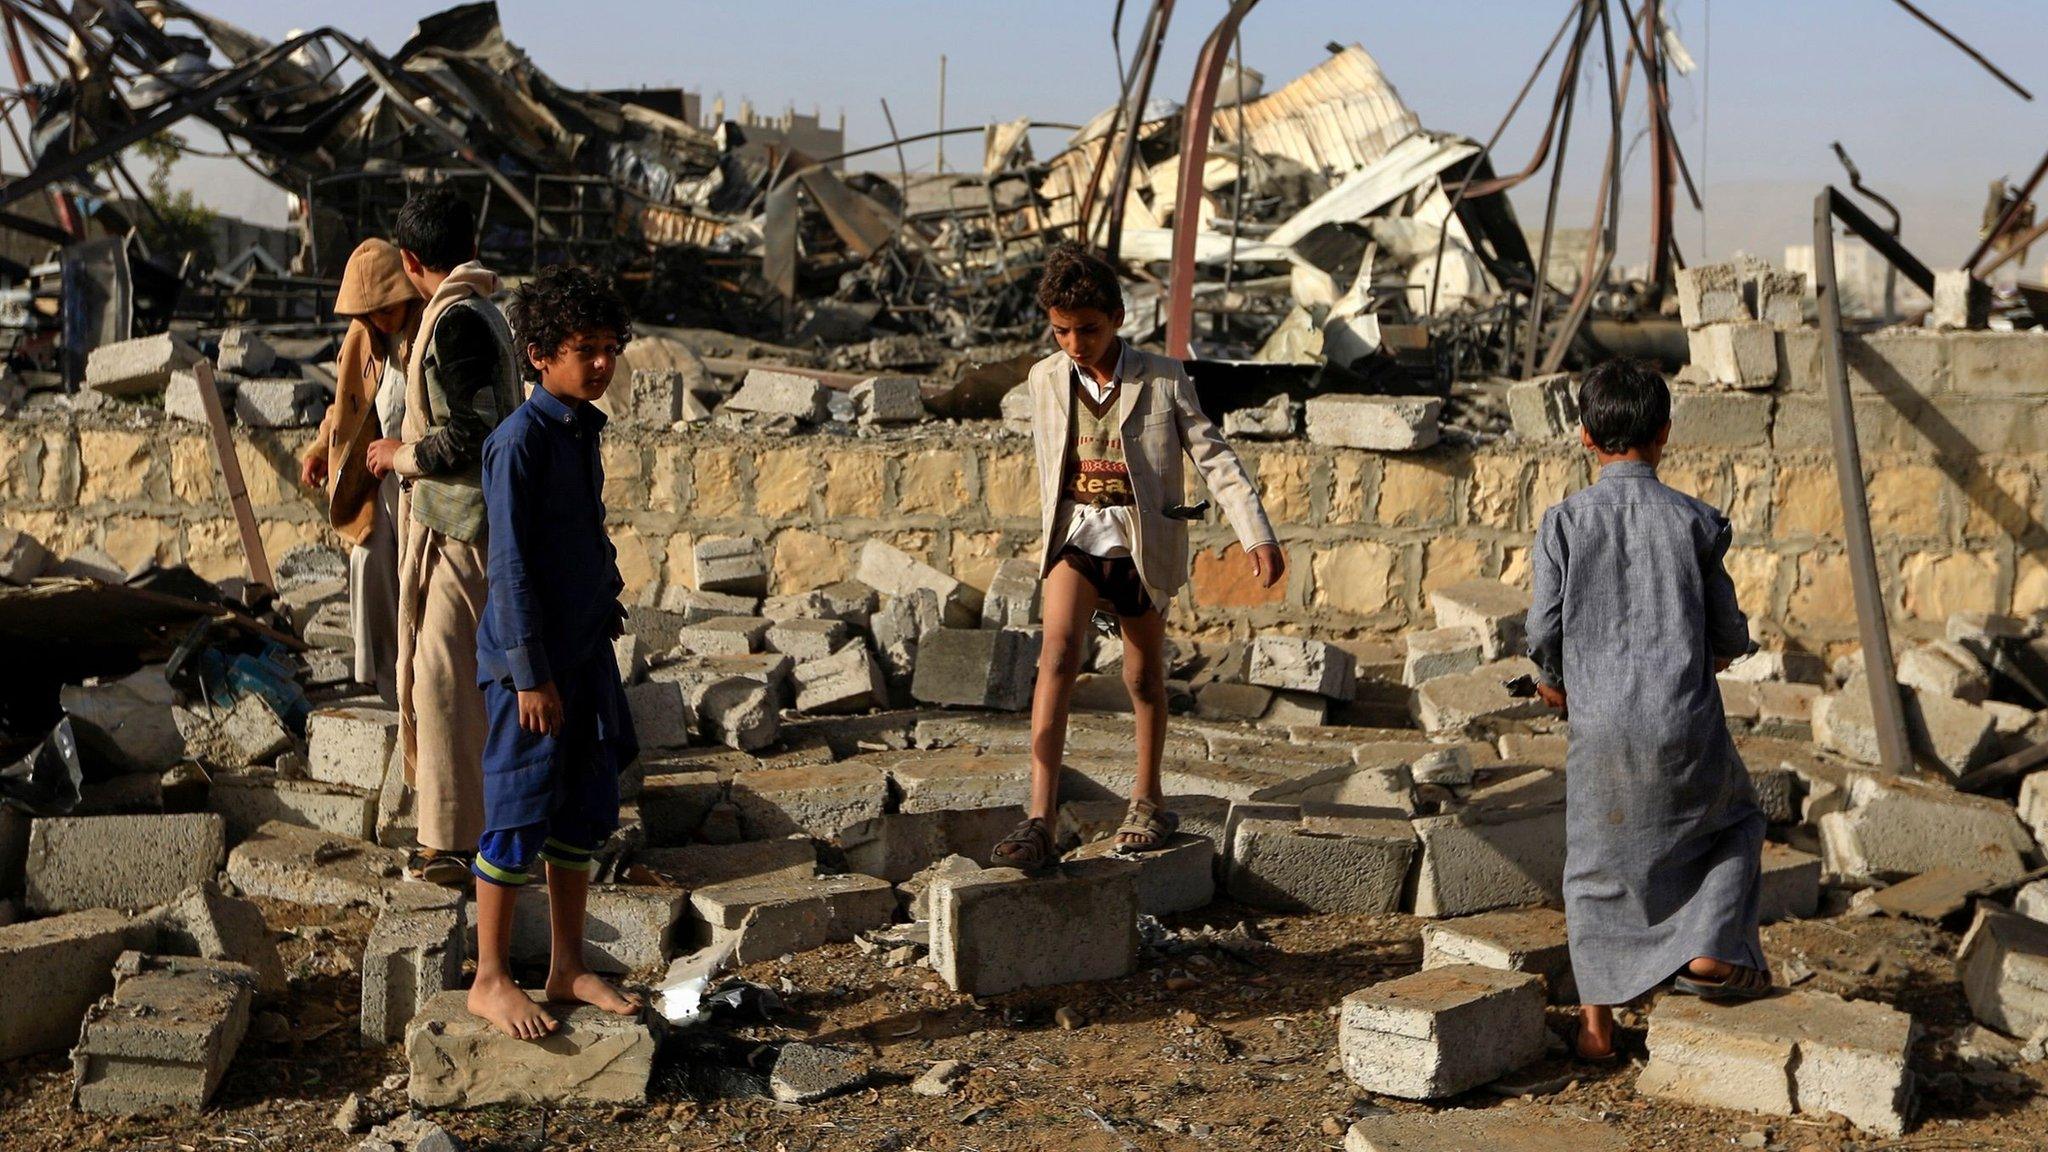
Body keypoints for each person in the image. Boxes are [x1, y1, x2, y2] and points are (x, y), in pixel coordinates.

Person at [991, 241, 1285, 870]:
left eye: (1088, 330)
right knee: (1057, 658)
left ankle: (1147, 798)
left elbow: (1216, 459)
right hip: (1074, 539)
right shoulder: (1045, 379)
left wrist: (1256, 533)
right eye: (1062, 331)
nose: (1076, 343)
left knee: (1142, 675)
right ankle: (1039, 818)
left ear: (1119, 318)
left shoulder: (1163, 379)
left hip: (1140, 546)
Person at [1525, 357, 1770, 1063]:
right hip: (1684, 721)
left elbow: (1545, 627)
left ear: (1583, 438)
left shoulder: (1564, 522)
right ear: (1665, 435)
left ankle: (1597, 1027)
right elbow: (1727, 627)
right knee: (1734, 823)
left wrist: (1551, 678)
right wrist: (1723, 651)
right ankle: (1709, 950)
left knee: (1596, 864)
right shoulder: (1695, 521)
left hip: (1598, 723)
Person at [467, 264, 640, 1039]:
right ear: (538, 355)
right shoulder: (518, 443)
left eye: (610, 347)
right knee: (515, 813)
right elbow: (506, 567)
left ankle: (567, 964)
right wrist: (530, 673)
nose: (602, 364)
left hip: (581, 654)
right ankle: (490, 977)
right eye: (585, 350)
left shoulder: (579, 431)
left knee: (578, 812)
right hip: (527, 669)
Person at [368, 187, 523, 887]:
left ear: (410, 259)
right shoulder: (475, 309)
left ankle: (456, 843)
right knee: (452, 677)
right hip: (467, 523)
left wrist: (401, 456)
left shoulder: (457, 320)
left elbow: (473, 430)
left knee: (441, 680)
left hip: (465, 528)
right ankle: (464, 833)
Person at [298, 239, 422, 706]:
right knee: (367, 558)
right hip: (378, 479)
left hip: (419, 476)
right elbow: (343, 408)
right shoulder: (360, 339)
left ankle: (413, 676)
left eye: (384, 312)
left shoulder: (425, 332)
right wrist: (318, 448)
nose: (377, 322)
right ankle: (382, 677)